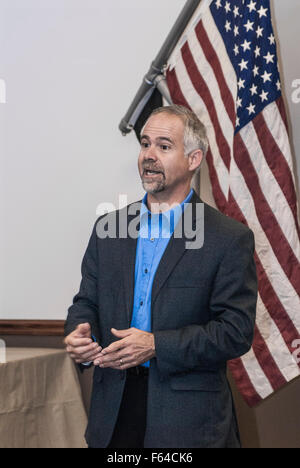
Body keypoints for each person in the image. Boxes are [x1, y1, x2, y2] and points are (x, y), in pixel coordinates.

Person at [64, 105, 257, 448]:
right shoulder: (109, 229)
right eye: (145, 144)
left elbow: (234, 332)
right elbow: (86, 303)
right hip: (113, 414)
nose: (149, 156)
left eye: (164, 146)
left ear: (194, 159)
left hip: (188, 421)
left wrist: (155, 345)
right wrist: (81, 334)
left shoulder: (228, 239)